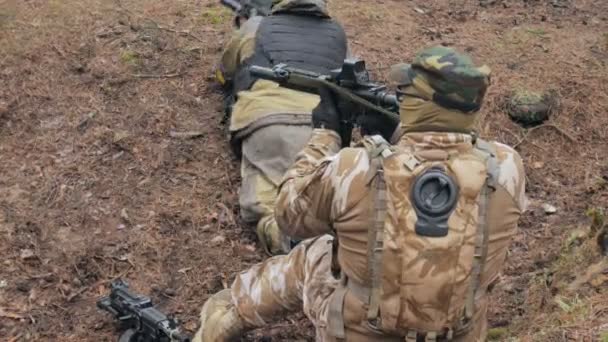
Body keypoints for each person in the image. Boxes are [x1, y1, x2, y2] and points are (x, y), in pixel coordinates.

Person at [195, 46, 527, 341]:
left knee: (318, 252)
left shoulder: (354, 168)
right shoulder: (507, 167)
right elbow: (445, 163)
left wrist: (325, 135)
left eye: (406, 94)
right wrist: (397, 134)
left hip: (361, 333)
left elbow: (289, 215)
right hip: (460, 331)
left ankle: (225, 318)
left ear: (421, 106)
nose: (402, 98)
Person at [216, 0, 348, 255]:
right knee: (323, 203)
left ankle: (293, 251)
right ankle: (333, 247)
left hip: (269, 123)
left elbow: (225, 72)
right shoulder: (337, 33)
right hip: (323, 129)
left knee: (267, 207)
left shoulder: (257, 26)